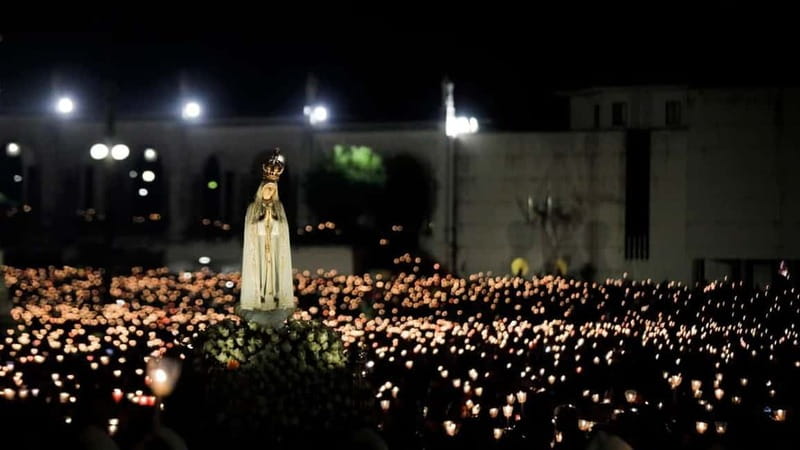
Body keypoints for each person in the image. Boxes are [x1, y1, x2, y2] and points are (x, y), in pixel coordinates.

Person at [239, 149, 295, 326]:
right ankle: (259, 297)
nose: (269, 193)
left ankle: (275, 297)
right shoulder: (253, 208)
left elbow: (283, 229)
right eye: (267, 189)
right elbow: (250, 229)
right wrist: (263, 222)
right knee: (261, 274)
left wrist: (274, 222)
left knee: (273, 275)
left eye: (272, 190)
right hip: (260, 249)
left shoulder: (279, 208)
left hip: (274, 248)